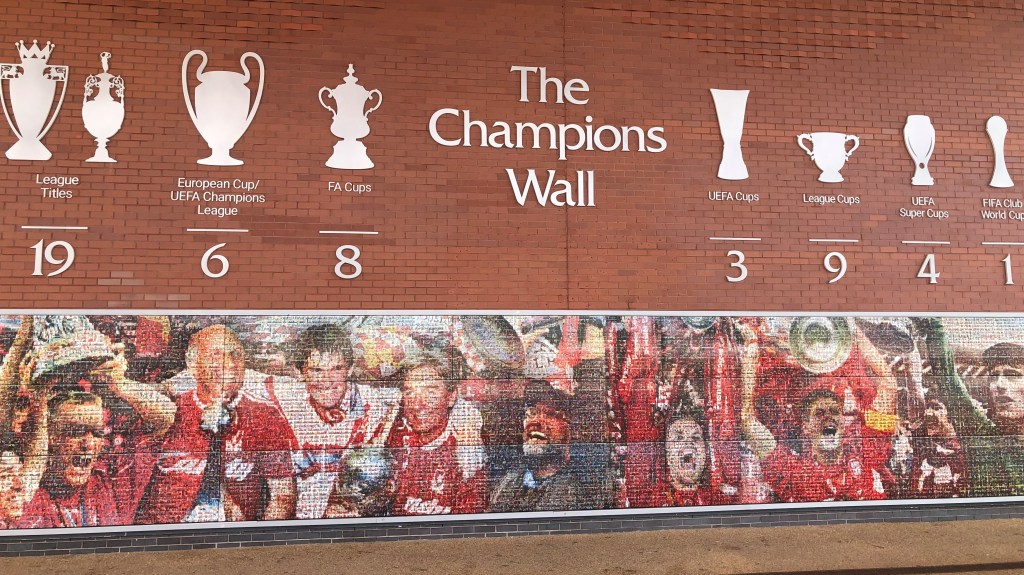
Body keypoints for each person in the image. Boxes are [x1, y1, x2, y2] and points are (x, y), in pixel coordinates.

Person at [136, 325, 297, 524]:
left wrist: (254, 536)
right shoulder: (165, 412)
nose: (229, 363)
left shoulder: (265, 416)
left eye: (236, 354)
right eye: (216, 354)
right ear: (192, 364)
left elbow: (282, 496)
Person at [739, 323, 898, 502]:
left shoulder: (868, 450)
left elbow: (889, 384)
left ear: (843, 423)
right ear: (806, 427)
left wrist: (852, 328)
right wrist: (752, 347)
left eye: (834, 411)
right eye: (819, 413)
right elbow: (747, 419)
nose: (828, 417)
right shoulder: (795, 473)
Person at [268, 324, 400, 519]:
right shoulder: (283, 397)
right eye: (316, 370)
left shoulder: (375, 404)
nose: (327, 380)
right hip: (297, 519)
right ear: (299, 373)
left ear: (350, 369)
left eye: (337, 369)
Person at [916, 318, 1024, 497]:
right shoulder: (982, 436)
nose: (999, 385)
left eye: (1013, 375)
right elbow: (948, 380)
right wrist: (935, 328)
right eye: (993, 376)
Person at [387, 346, 487, 515]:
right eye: (410, 393)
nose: (418, 404)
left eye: (430, 392)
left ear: (451, 396)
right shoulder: (393, 434)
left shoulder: (466, 451)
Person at [490, 380, 583, 512]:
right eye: (532, 413)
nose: (536, 421)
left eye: (550, 414)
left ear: (571, 430)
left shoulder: (577, 490)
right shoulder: (507, 484)